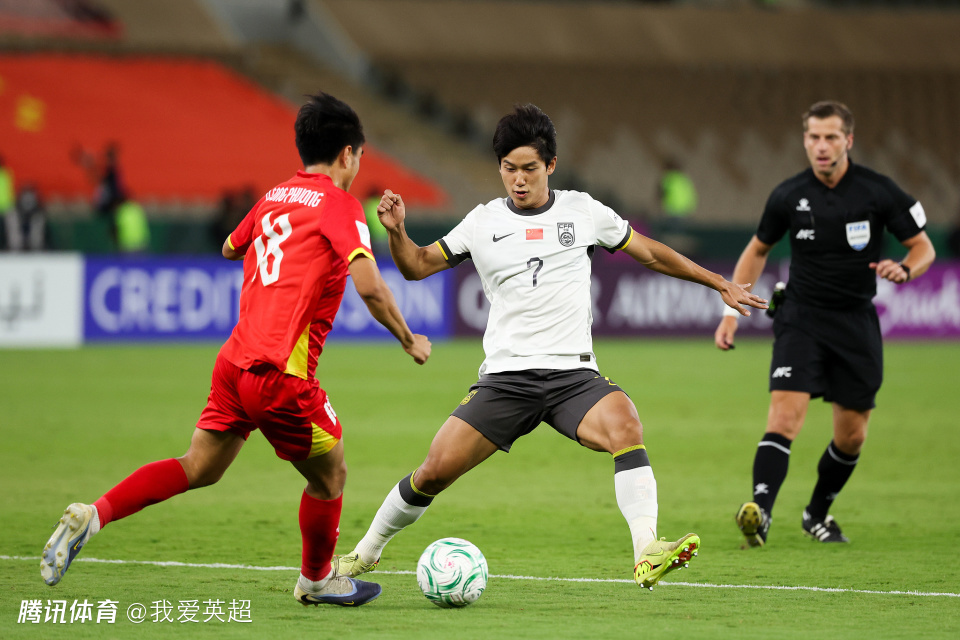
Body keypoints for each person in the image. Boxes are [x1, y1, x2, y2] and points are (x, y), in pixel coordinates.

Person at [332, 104, 767, 591]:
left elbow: (649, 252)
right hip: (506, 381)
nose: (518, 180)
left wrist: (717, 282)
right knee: (432, 473)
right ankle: (364, 553)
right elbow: (415, 266)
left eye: (530, 169)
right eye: (509, 169)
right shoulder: (481, 222)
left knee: (626, 424)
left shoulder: (583, 211)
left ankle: (646, 550)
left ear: (551, 165)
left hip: (573, 378)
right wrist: (397, 232)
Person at [41, 92, 432, 608]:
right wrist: (408, 338)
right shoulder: (340, 205)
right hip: (279, 373)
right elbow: (371, 287)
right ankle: (317, 581)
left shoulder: (275, 195)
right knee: (331, 476)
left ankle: (95, 514)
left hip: (234, 363)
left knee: (199, 466)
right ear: (347, 154)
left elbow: (230, 246)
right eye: (359, 155)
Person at [714, 101, 936, 547]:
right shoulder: (788, 195)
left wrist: (905, 269)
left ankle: (816, 514)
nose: (821, 146)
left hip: (855, 323)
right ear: (805, 141)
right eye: (813, 137)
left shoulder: (877, 191)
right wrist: (731, 311)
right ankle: (761, 513)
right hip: (801, 318)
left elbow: (923, 247)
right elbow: (757, 250)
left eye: (831, 137)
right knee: (784, 417)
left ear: (848, 140)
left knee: (851, 436)